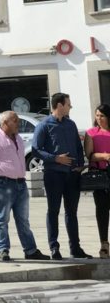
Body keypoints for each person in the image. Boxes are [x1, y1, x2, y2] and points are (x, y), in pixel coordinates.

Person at [0, 110, 49, 261]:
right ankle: (3, 249)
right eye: (14, 120)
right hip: (3, 183)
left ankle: (30, 251)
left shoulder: (18, 138)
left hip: (20, 183)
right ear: (4, 123)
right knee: (2, 218)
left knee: (23, 219)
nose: (18, 123)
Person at [33, 92, 90, 259]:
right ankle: (54, 247)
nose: (70, 107)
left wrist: (79, 165)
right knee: (53, 211)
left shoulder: (71, 124)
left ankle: (75, 248)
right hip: (53, 175)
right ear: (59, 105)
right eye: (68, 104)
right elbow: (36, 150)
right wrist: (56, 158)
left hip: (72, 175)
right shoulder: (43, 125)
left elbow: (78, 147)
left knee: (72, 212)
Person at [84, 103, 110, 259]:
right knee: (102, 210)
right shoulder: (91, 133)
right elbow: (90, 155)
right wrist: (106, 156)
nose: (99, 118)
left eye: (102, 115)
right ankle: (104, 244)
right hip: (100, 175)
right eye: (97, 115)